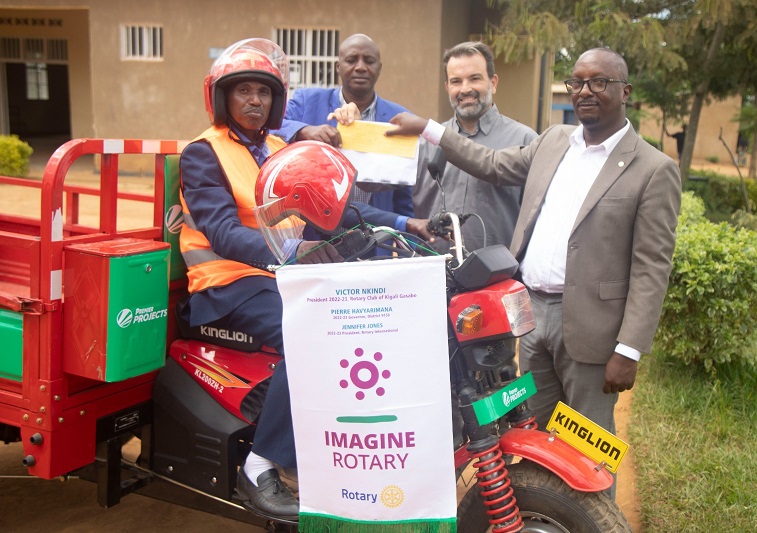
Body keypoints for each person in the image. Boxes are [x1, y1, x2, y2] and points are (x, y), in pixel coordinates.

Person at [364, 47, 682, 498]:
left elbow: (652, 267)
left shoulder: (653, 169)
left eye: (600, 82)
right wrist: (431, 130)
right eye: (578, 82)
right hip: (530, 317)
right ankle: (546, 517)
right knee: (534, 436)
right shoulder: (554, 141)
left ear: (625, 91)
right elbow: (493, 165)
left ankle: (596, 523)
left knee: (589, 446)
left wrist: (628, 350)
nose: (586, 91)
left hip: (592, 326)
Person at [179, 38, 344, 518]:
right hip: (226, 284)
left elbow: (327, 210)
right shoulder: (202, 153)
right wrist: (294, 252)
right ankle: (261, 462)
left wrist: (401, 226)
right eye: (243, 91)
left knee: (352, 320)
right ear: (222, 98)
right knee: (310, 334)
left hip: (276, 279)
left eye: (264, 92)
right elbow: (224, 232)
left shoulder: (278, 147)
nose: (255, 100)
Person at [274, 34, 429, 240]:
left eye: (369, 60)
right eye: (351, 60)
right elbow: (271, 127)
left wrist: (406, 245)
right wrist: (304, 131)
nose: (361, 67)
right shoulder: (306, 102)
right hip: (314, 237)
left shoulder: (398, 119)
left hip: (374, 243)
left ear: (380, 68)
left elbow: (402, 196)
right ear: (338, 67)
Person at [413, 41, 537, 254]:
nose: (465, 89)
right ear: (447, 88)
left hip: (499, 279)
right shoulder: (424, 143)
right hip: (433, 276)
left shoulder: (525, 141)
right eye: (456, 81)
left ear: (493, 82)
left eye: (475, 78)